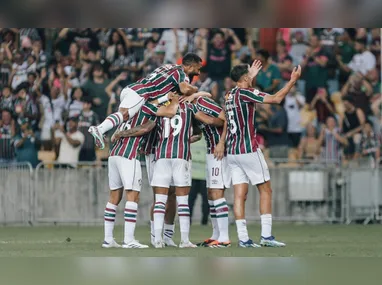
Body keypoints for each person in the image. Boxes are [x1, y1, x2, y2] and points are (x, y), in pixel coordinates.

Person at [225, 60, 301, 247]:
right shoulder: (246, 93)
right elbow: (275, 99)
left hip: (232, 152)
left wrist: (249, 76)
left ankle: (243, 239)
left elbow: (243, 86)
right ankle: (266, 236)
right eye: (250, 76)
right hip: (248, 149)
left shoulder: (229, 95)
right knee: (265, 189)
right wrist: (292, 81)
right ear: (244, 78)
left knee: (239, 195)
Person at [103, 93, 180, 249]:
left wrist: (118, 134)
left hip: (114, 154)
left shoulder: (128, 111)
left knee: (114, 197)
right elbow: (148, 126)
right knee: (133, 196)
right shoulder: (146, 108)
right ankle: (128, 240)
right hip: (129, 155)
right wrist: (175, 99)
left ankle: (108, 239)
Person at [88, 53, 203, 149]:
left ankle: (103, 131)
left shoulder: (167, 66)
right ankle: (100, 129)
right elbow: (185, 88)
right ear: (189, 67)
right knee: (125, 114)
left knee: (125, 117)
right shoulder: (182, 73)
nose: (198, 73)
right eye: (197, 69)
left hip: (132, 88)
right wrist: (195, 88)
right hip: (141, 93)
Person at [188, 94, 232, 248]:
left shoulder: (201, 102)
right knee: (211, 194)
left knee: (217, 192)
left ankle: (224, 238)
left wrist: (221, 143)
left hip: (219, 151)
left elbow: (225, 118)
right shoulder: (190, 108)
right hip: (210, 151)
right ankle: (216, 235)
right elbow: (200, 132)